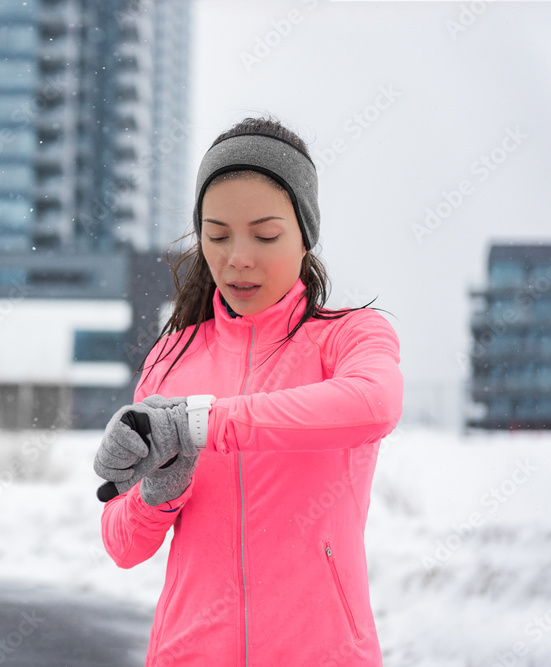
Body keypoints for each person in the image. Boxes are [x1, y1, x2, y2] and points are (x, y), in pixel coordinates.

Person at [94, 116, 403, 666]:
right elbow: (121, 545)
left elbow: (374, 403)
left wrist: (200, 424)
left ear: (305, 235)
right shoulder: (171, 358)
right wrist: (157, 493)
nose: (238, 257)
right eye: (217, 235)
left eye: (265, 235)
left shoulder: (349, 336)